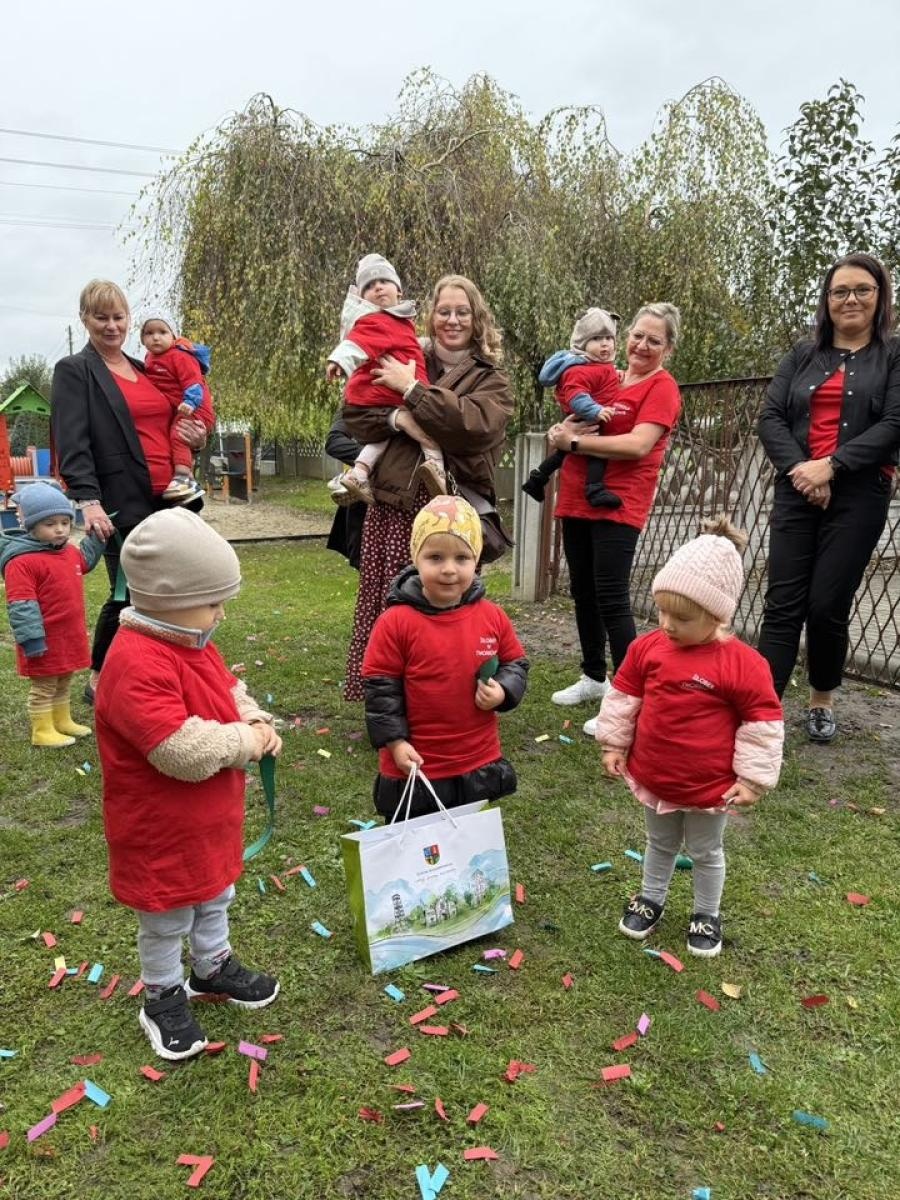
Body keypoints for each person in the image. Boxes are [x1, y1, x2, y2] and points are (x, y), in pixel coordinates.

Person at [94, 508, 282, 1061]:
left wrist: (253, 717)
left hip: (206, 818)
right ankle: (162, 995)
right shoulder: (136, 662)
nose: (221, 613)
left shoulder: (191, 639)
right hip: (159, 827)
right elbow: (179, 750)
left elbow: (228, 688)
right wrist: (245, 742)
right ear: (166, 597)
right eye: (212, 601)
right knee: (166, 915)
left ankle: (211, 966)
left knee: (214, 893)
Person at [594, 516, 784, 958]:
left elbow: (762, 723)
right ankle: (651, 898)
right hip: (657, 774)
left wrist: (753, 779)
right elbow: (624, 697)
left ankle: (706, 913)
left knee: (705, 850)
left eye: (681, 617)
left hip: (709, 784)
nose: (667, 623)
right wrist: (614, 743)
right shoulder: (648, 648)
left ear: (717, 615)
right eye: (661, 611)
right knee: (659, 842)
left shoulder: (743, 664)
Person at [341, 274, 514, 701]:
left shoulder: (491, 378)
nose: (452, 320)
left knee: (445, 607)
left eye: (462, 312)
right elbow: (355, 413)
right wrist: (399, 418)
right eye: (444, 311)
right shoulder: (401, 354)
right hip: (394, 506)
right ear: (431, 315)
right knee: (390, 605)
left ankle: (443, 699)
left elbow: (474, 428)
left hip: (449, 511)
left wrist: (412, 390)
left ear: (477, 319)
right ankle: (387, 701)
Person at [757, 252, 900, 743]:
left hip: (860, 493)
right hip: (797, 487)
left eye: (862, 289)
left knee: (826, 604)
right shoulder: (802, 354)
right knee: (782, 603)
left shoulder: (893, 354)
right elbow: (771, 418)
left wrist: (832, 466)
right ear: (826, 299)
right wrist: (804, 471)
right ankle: (762, 713)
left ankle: (821, 699)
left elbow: (894, 423)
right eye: (840, 291)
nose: (850, 299)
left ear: (880, 296)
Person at [51, 280, 213, 703]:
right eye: (100, 317)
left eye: (118, 317)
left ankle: (161, 672)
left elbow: (176, 421)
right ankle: (100, 677)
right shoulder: (76, 371)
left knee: (174, 590)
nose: (111, 326)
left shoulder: (146, 369)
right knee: (130, 591)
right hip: (121, 500)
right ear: (84, 319)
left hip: (171, 496)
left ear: (129, 319)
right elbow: (72, 442)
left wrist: (196, 437)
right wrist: (89, 502)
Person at [545, 303, 683, 735]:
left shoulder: (662, 387)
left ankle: (628, 699)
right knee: (583, 592)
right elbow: (574, 415)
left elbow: (637, 445)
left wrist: (573, 445)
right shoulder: (609, 377)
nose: (642, 345)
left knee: (611, 596)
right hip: (576, 499)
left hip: (619, 503)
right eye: (637, 335)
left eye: (654, 340)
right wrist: (560, 433)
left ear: (668, 349)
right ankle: (593, 676)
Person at [362, 496, 528, 819]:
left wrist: (504, 689)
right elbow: (381, 690)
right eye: (435, 557)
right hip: (416, 764)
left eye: (462, 558)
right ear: (416, 557)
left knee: (467, 841)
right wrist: (395, 743)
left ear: (476, 560)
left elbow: (516, 663)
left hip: (475, 759)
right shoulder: (395, 623)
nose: (449, 569)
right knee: (419, 847)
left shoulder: (492, 617)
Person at [326, 253, 445, 504]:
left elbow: (403, 344)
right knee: (428, 431)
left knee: (382, 437)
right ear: (362, 298)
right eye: (369, 286)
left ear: (399, 291)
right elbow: (358, 343)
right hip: (388, 395)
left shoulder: (397, 321)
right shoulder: (380, 321)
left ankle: (359, 473)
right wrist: (339, 360)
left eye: (383, 281)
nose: (378, 287)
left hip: (376, 400)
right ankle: (437, 469)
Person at [0, 482, 105, 747]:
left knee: (64, 679)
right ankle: (42, 730)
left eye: (65, 522)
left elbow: (85, 561)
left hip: (68, 635)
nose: (60, 529)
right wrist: (32, 640)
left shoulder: (68, 552)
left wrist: (97, 537)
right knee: (44, 685)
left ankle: (61, 719)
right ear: (31, 526)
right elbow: (21, 604)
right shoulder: (21, 562)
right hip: (43, 639)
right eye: (50, 524)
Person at [522, 308, 620, 506]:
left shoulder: (597, 366)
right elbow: (576, 397)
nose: (604, 343)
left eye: (609, 338)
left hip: (589, 416)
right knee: (598, 452)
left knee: (562, 453)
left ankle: (537, 479)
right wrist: (596, 410)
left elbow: (604, 382)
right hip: (587, 417)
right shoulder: (580, 370)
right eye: (596, 339)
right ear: (582, 343)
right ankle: (594, 489)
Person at [140, 314, 215, 503]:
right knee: (174, 435)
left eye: (162, 332)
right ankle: (187, 479)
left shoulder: (180, 355)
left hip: (195, 407)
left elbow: (194, 382)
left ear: (173, 336)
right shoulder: (149, 358)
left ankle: (182, 476)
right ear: (142, 338)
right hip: (180, 409)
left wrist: (190, 402)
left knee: (179, 433)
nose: (156, 337)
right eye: (149, 333)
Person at [324, 411, 367, 569]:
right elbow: (334, 441)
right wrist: (370, 458)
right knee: (367, 566)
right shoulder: (359, 404)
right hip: (366, 509)